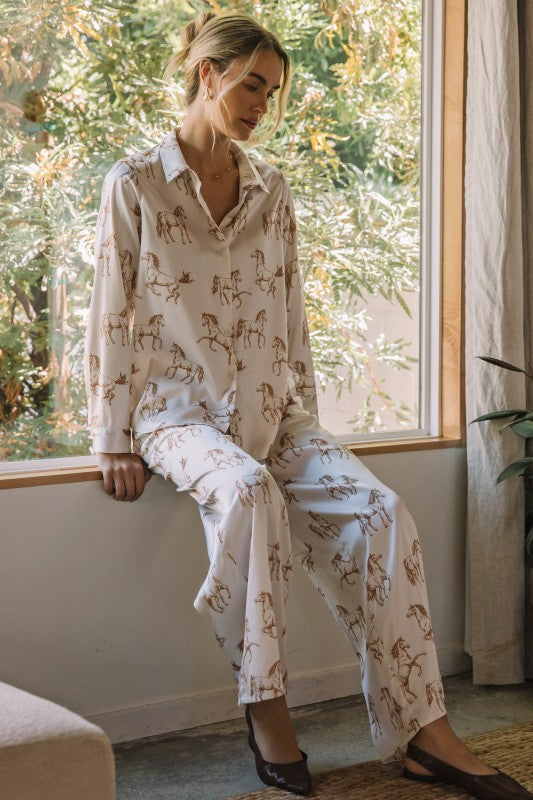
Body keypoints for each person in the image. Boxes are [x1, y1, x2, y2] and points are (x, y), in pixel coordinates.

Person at [84, 10, 532, 799]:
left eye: (272, 92)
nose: (262, 105)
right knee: (248, 491)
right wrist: (110, 437)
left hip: (270, 408)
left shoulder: (270, 187)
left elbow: (290, 313)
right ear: (207, 74)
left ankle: (424, 732)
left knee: (381, 511)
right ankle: (266, 708)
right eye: (251, 86)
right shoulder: (136, 182)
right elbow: (110, 313)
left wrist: (310, 420)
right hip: (174, 414)